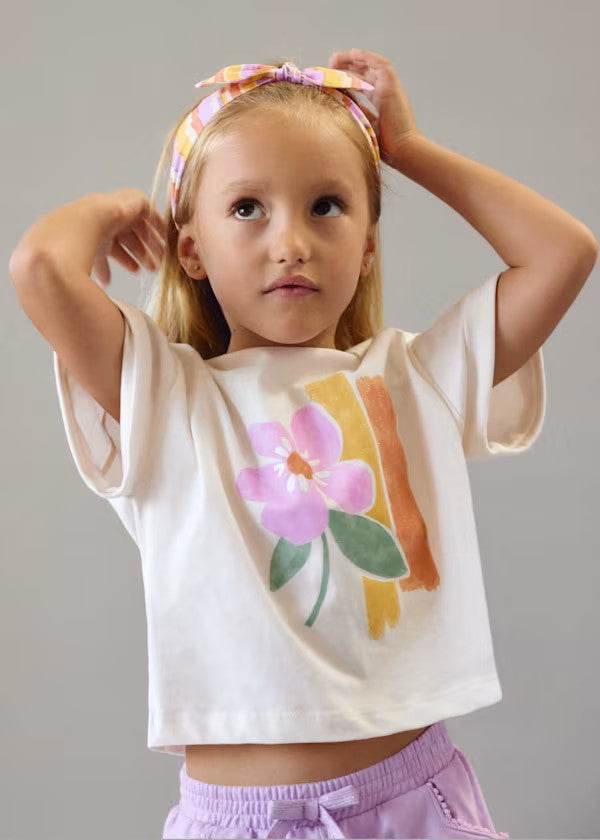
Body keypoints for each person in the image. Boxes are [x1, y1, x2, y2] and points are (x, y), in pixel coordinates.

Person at [9, 49, 597, 840]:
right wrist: (119, 207)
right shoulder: (167, 400)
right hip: (234, 822)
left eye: (326, 205)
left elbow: (565, 252)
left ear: (368, 245)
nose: (290, 241)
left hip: (413, 807)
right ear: (190, 248)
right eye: (247, 208)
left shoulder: (414, 381)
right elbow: (40, 267)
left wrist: (409, 149)